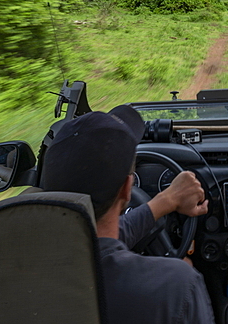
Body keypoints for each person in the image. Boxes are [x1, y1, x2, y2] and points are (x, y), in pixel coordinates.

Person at [40, 104, 215, 324]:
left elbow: (102, 239)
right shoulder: (177, 285)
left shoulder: (22, 268)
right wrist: (181, 274)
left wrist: (166, 201)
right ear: (127, 189)